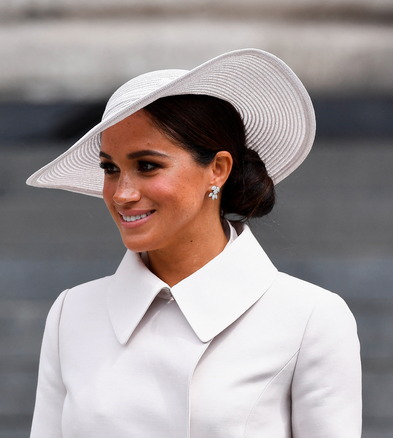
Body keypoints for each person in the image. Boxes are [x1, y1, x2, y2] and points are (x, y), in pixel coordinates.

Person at [27, 48, 361, 437]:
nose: (122, 193)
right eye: (110, 169)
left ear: (217, 169)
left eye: (147, 166)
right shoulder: (72, 314)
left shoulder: (310, 319)